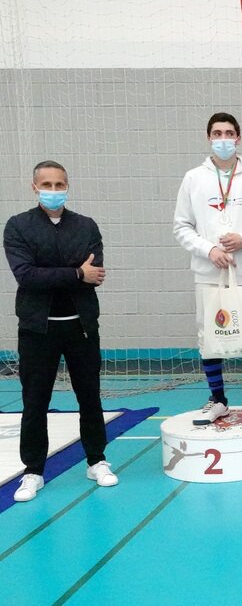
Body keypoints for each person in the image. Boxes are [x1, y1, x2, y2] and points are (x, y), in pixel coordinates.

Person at [4, 160, 118, 502]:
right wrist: (75, 273)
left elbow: (95, 273)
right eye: (47, 185)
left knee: (90, 396)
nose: (54, 190)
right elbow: (27, 275)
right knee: (35, 401)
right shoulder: (18, 226)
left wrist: (61, 273)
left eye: (59, 184)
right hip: (38, 330)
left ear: (67, 186)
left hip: (81, 327)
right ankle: (33, 471)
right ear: (34, 187)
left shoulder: (86, 226)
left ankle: (96, 460)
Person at [173, 112, 242, 427]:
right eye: (217, 133)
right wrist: (209, 250)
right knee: (208, 334)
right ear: (209, 138)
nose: (223, 139)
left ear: (238, 138)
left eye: (229, 133)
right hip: (208, 271)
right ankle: (218, 399)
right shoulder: (193, 178)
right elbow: (181, 226)